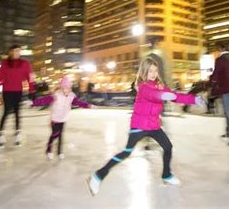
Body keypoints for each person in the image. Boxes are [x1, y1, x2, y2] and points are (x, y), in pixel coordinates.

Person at [87, 57, 204, 196]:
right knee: (127, 152)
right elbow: (153, 95)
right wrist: (163, 95)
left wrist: (193, 99)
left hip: (154, 125)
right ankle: (98, 176)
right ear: (144, 72)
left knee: (168, 146)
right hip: (140, 125)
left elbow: (175, 96)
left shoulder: (159, 85)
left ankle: (166, 174)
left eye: (155, 71)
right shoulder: (143, 87)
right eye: (150, 71)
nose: (153, 74)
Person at [32, 76, 93, 160]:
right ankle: (49, 149)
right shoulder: (56, 95)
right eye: (65, 88)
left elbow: (78, 103)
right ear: (61, 88)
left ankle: (60, 152)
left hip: (63, 118)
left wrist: (88, 105)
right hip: (55, 118)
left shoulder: (72, 96)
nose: (66, 90)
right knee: (55, 134)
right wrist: (34, 103)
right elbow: (45, 100)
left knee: (60, 135)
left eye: (68, 88)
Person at [0, 45, 35, 148]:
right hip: (7, 92)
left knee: (17, 113)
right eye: (14, 51)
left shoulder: (24, 64)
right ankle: (1, 135)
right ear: (10, 52)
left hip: (18, 92)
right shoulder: (5, 64)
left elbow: (30, 77)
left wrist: (32, 90)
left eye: (18, 51)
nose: (16, 53)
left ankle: (18, 133)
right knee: (6, 113)